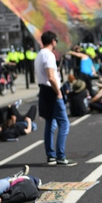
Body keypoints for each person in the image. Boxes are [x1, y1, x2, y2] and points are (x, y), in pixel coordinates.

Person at [36, 30, 76, 166]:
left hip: (43, 90)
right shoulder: (49, 55)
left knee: (50, 124)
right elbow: (50, 76)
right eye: (56, 41)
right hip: (51, 91)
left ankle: (51, 156)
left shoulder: (39, 54)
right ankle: (61, 156)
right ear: (53, 41)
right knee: (64, 123)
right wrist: (58, 92)